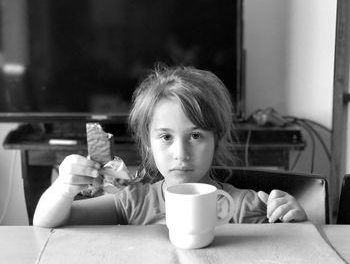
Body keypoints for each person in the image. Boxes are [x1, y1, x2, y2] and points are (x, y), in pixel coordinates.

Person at [33, 65, 307, 227]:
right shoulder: (134, 203)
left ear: (217, 139)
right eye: (166, 137)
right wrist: (63, 189)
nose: (181, 153)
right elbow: (48, 222)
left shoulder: (244, 207)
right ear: (148, 144)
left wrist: (296, 220)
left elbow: (298, 248)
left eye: (196, 136)